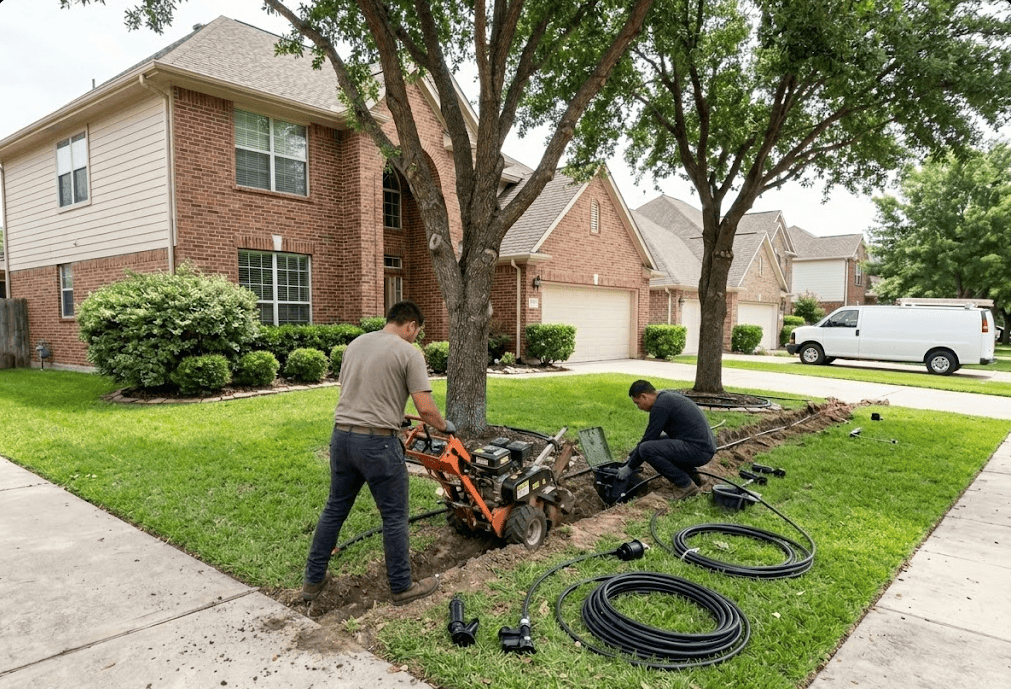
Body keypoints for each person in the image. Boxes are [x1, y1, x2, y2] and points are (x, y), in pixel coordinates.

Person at [302, 301, 454, 606]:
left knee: (334, 509)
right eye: (417, 332)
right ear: (411, 325)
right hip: (378, 446)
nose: (416, 338)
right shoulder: (409, 352)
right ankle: (401, 587)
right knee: (395, 516)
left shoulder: (356, 344)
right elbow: (425, 409)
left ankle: (312, 582)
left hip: (342, 437)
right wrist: (445, 426)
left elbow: (360, 391)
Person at [617, 379, 716, 500]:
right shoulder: (666, 398)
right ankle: (692, 477)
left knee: (647, 449)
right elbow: (653, 438)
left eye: (637, 403)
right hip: (703, 447)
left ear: (644, 396)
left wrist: (630, 466)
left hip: (699, 451)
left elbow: (648, 438)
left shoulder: (660, 406)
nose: (639, 407)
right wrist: (632, 456)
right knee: (657, 442)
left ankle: (685, 485)